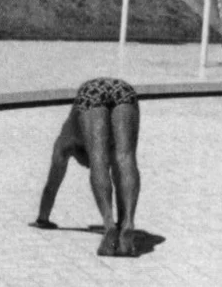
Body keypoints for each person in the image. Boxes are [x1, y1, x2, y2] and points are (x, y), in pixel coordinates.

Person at [33, 77, 141, 258]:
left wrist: (42, 219)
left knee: (98, 159)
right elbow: (119, 171)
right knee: (126, 157)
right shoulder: (110, 143)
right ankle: (127, 223)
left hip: (91, 93)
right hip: (123, 90)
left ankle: (109, 225)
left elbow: (51, 186)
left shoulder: (65, 142)